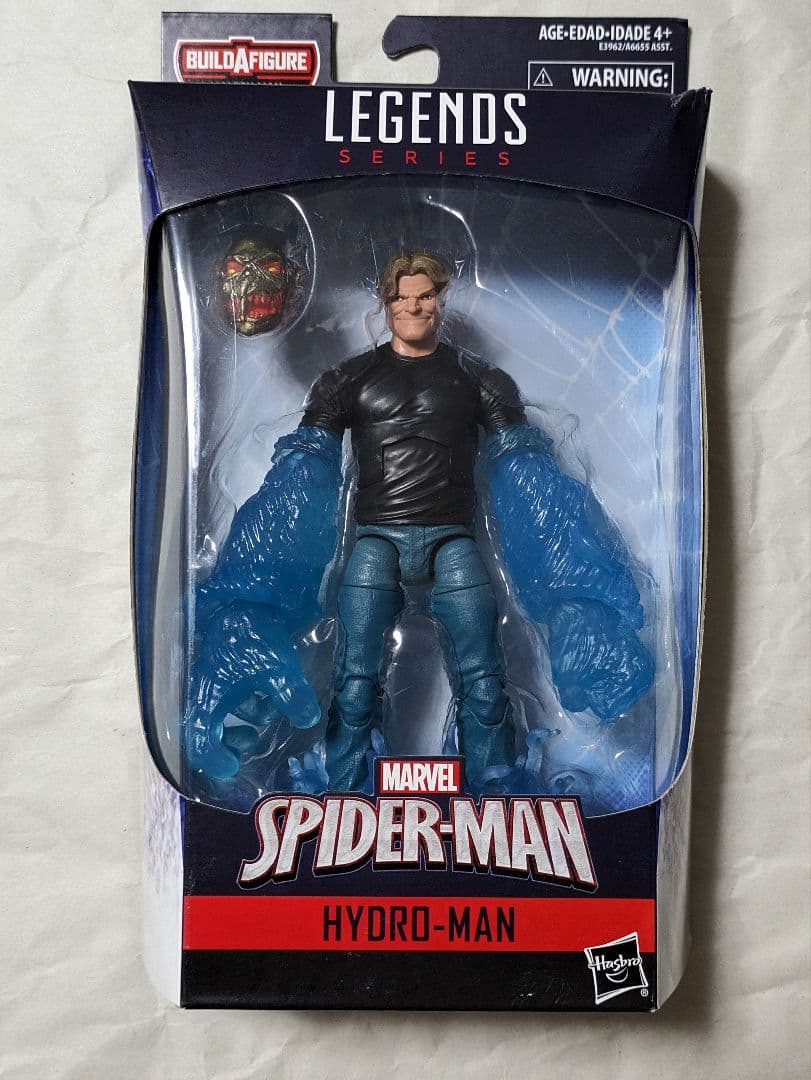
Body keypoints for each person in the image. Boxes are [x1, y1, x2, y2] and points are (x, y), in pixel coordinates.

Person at [300, 251, 526, 789]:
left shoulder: (479, 379)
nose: (413, 306)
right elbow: (304, 469)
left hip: (453, 538)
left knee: (485, 684)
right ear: (385, 303)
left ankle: (494, 801)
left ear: (441, 300)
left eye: (424, 295)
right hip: (376, 537)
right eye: (402, 297)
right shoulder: (349, 378)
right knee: (354, 686)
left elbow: (524, 469)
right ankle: (343, 799)